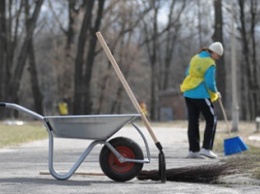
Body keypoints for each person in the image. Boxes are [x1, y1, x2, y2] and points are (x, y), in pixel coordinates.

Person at [180, 42, 223, 159]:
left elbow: (187, 73)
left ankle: (193, 150)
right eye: (218, 56)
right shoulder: (210, 63)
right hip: (201, 95)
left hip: (188, 93)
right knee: (211, 119)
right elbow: (210, 83)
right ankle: (206, 149)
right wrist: (216, 92)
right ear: (213, 52)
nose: (217, 58)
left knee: (193, 121)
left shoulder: (195, 57)